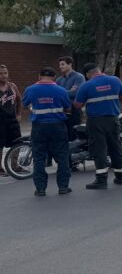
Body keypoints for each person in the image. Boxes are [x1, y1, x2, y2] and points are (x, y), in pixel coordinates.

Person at [20, 67, 72, 196]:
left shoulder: (30, 89)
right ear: (54, 77)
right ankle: (63, 187)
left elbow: (24, 104)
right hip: (58, 127)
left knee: (39, 158)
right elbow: (67, 107)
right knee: (62, 157)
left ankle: (40, 189)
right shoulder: (61, 90)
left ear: (39, 76)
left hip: (39, 127)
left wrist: (33, 107)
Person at [75, 62, 122, 189]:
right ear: (99, 70)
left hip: (96, 122)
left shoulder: (86, 86)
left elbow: (77, 105)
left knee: (99, 149)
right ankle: (120, 177)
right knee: (115, 147)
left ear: (88, 74)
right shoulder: (115, 80)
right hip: (113, 119)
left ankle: (101, 180)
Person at [56, 56, 85, 142]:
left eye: (63, 64)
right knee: (63, 135)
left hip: (74, 110)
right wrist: (68, 92)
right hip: (61, 111)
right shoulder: (59, 80)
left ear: (70, 64)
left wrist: (61, 93)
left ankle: (75, 154)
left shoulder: (79, 77)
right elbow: (55, 94)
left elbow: (76, 93)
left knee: (74, 134)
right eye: (60, 64)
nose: (60, 66)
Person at [0, 63, 22, 176]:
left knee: (17, 142)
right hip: (0, 122)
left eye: (5, 73)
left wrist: (18, 114)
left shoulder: (12, 86)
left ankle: (15, 166)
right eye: (1, 74)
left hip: (12, 120)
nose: (4, 75)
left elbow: (19, 100)